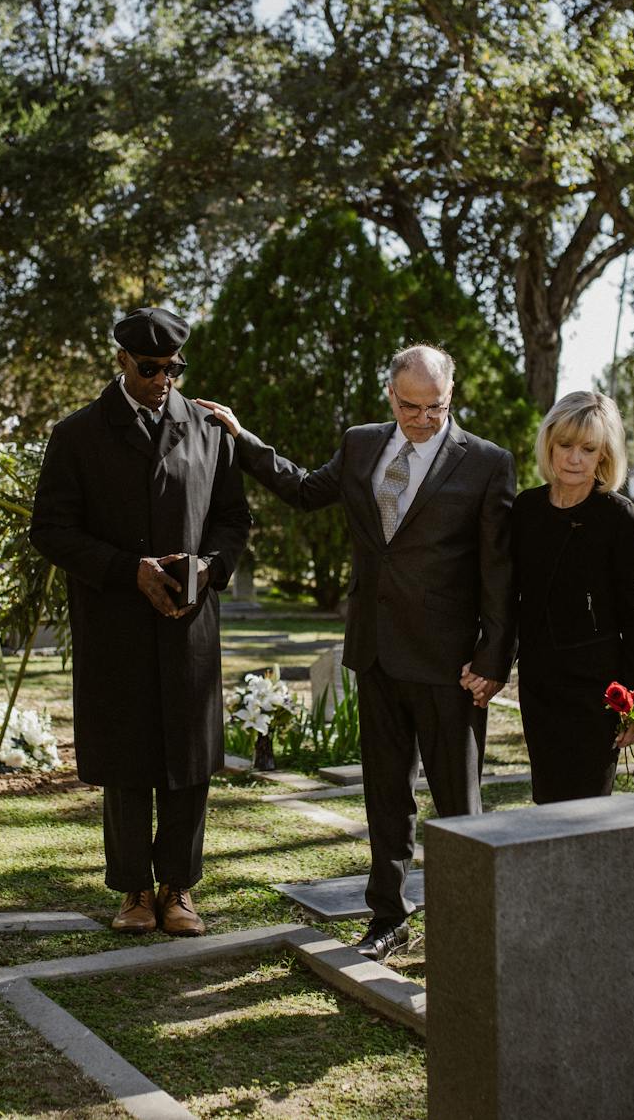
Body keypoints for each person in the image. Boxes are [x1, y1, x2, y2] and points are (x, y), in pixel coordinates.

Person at [194, 345, 514, 962]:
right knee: (384, 795)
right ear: (389, 396)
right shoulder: (363, 443)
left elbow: (499, 570)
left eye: (435, 407)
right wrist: (244, 439)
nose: (422, 419)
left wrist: (495, 656)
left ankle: (468, 926)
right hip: (375, 651)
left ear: (453, 396)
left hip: (452, 665)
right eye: (409, 406)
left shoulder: (487, 464)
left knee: (458, 803)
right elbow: (305, 490)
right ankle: (387, 918)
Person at [31, 307, 250, 937]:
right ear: (121, 361)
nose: (164, 380)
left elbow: (234, 519)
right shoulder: (76, 435)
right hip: (115, 622)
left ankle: (179, 888)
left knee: (186, 759)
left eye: (174, 368)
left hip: (189, 622)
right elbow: (51, 530)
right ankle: (132, 890)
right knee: (127, 758)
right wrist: (128, 570)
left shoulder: (210, 431)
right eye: (150, 368)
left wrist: (209, 568)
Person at [506, 390, 634, 803]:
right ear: (549, 443)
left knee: (587, 808)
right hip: (539, 687)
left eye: (588, 449)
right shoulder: (526, 509)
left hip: (597, 693)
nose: (574, 458)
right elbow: (512, 597)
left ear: (604, 454)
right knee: (547, 801)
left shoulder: (618, 515)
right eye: (565, 445)